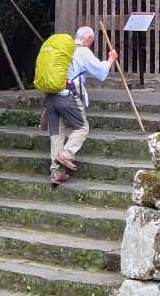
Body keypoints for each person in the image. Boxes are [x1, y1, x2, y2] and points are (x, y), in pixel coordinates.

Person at [44, 25, 117, 186]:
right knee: (82, 128)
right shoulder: (82, 51)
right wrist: (111, 59)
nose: (91, 43)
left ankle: (56, 173)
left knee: (57, 134)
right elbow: (100, 73)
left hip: (50, 97)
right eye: (92, 40)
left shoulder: (62, 50)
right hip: (67, 97)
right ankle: (66, 154)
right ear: (88, 38)